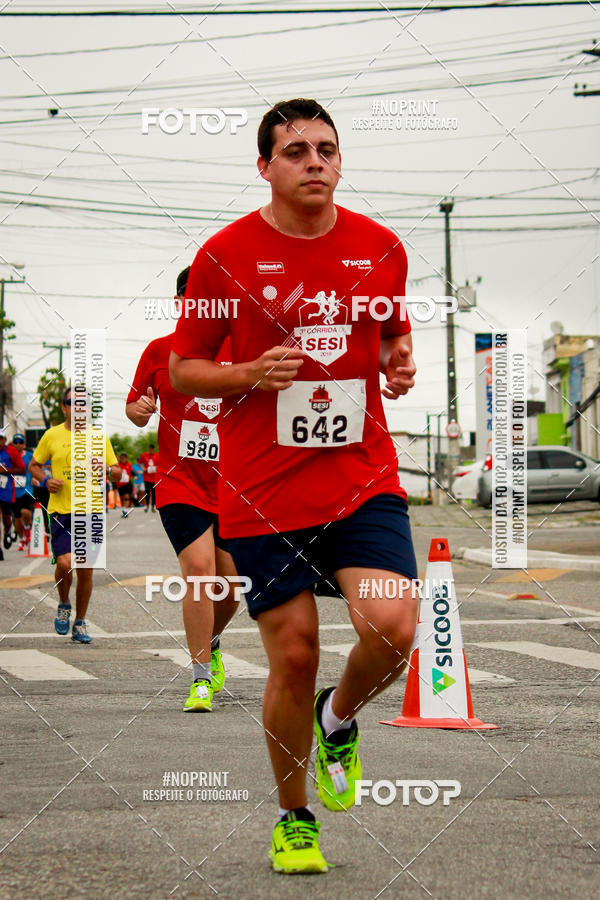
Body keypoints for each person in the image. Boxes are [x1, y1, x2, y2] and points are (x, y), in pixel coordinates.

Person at [170, 98, 418, 873]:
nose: (315, 161)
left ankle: (337, 719)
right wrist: (246, 372)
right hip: (262, 493)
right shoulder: (224, 257)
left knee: (394, 625)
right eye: (297, 151)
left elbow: (392, 330)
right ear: (265, 166)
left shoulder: (381, 248)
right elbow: (185, 368)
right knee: (297, 652)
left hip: (361, 476)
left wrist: (399, 360)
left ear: (340, 161)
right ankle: (295, 816)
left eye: (326, 149)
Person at [126, 267, 238, 712]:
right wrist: (140, 409)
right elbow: (134, 408)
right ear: (179, 302)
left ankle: (211, 640)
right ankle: (200, 680)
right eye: (194, 297)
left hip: (233, 484)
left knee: (231, 587)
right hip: (179, 481)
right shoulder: (159, 351)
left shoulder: (239, 350)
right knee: (199, 570)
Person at [29, 388, 121, 643]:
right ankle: (63, 603)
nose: (79, 407)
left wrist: (106, 470)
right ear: (64, 407)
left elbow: (118, 473)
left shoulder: (99, 437)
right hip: (61, 511)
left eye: (84, 403)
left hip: (91, 513)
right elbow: (33, 465)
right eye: (73, 402)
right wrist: (45, 480)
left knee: (86, 571)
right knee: (64, 563)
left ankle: (80, 622)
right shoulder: (52, 435)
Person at [0, 429, 26, 559]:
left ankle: (7, 532)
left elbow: (22, 470)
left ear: (5, 440)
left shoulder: (11, 451)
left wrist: (6, 470)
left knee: (6, 518)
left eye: (1, 439)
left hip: (7, 491)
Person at [11, 434, 34, 551]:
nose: (18, 444)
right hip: (13, 490)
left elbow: (36, 467)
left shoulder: (29, 456)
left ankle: (27, 527)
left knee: (26, 512)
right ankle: (22, 539)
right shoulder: (9, 456)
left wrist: (35, 478)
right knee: (17, 517)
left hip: (27, 489)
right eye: (16, 442)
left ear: (24, 444)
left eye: (20, 442)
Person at [138, 443, 158, 512]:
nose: (151, 450)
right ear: (149, 449)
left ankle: (153, 506)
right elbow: (139, 462)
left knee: (154, 492)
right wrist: (142, 467)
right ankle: (147, 506)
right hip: (146, 477)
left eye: (152, 449)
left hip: (154, 477)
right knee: (147, 492)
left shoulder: (156, 456)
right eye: (150, 449)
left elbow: (160, 464)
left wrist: (156, 468)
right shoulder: (144, 455)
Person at [116, 451, 134, 517]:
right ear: (120, 459)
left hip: (127, 483)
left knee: (127, 497)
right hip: (120, 484)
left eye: (124, 458)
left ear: (126, 459)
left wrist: (135, 474)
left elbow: (132, 472)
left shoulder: (129, 465)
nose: (123, 459)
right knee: (122, 497)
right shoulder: (117, 465)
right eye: (122, 458)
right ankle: (124, 509)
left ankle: (126, 510)